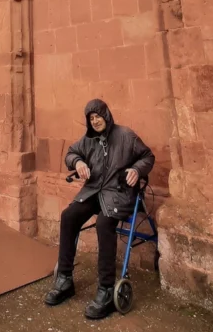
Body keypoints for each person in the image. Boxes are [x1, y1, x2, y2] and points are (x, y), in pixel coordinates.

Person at [45, 98, 154, 319]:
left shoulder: (126, 136)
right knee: (68, 216)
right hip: (94, 192)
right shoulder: (88, 140)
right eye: (91, 118)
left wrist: (136, 169)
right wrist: (78, 163)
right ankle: (64, 279)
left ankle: (105, 289)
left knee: (104, 223)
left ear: (106, 115)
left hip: (118, 194)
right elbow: (70, 153)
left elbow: (148, 157)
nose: (95, 121)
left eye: (98, 117)